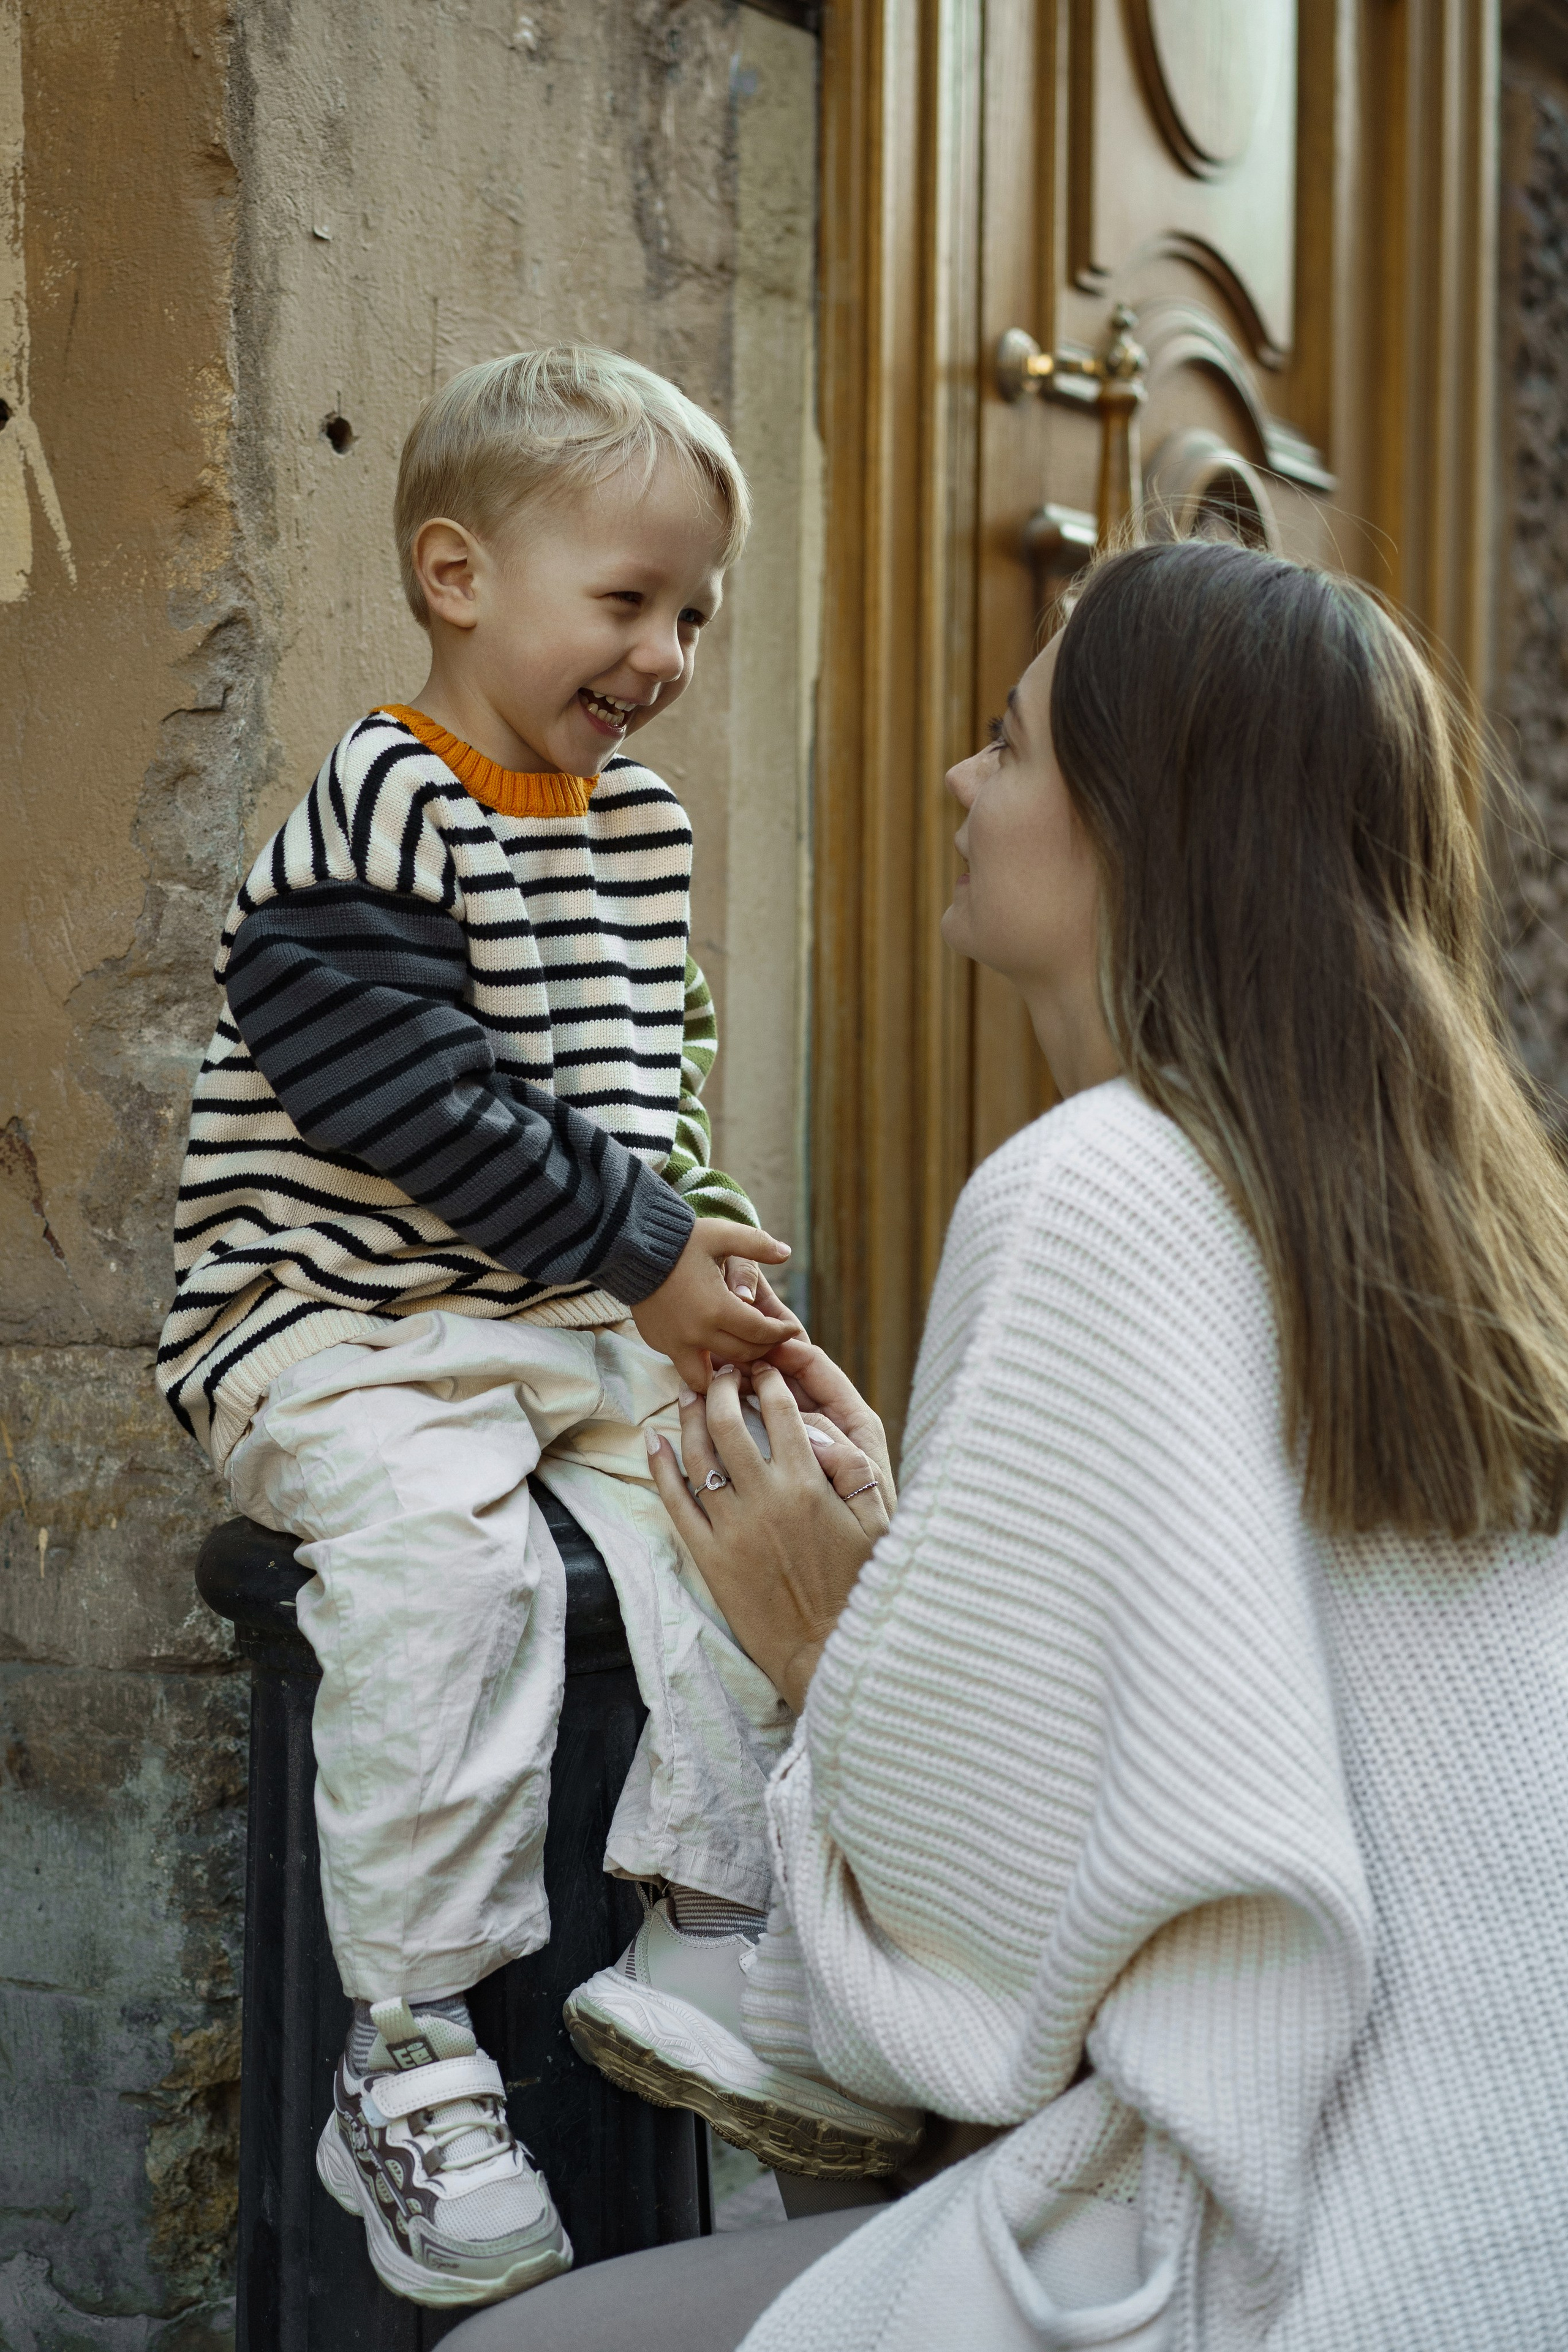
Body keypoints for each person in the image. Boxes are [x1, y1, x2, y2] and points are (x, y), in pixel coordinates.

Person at [448, 538, 1568, 2351]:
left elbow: (1003, 1970)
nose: (965, 783)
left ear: (1139, 821)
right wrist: (919, 1592)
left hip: (1249, 2268)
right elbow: (1231, 1751)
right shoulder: (1464, 1231)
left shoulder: (1095, 1186)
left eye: (1010, 741)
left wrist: (820, 1639)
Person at [155, 345, 908, 2313]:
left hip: (535, 1313)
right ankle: (404, 2047)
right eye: (628, 597)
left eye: (695, 612)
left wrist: (700, 1238)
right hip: (328, 1324)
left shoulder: (636, 831)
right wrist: (634, 1243)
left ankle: (703, 1928)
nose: (665, 650)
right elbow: (391, 1083)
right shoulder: (381, 802)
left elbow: (648, 1090)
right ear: (459, 575)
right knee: (446, 1566)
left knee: (723, 1511)